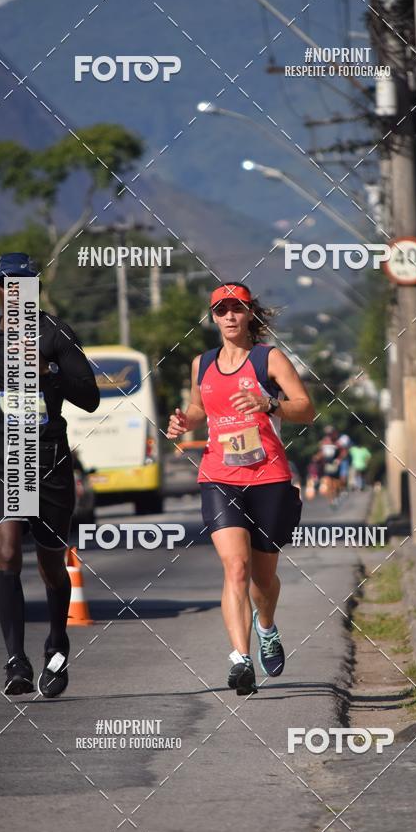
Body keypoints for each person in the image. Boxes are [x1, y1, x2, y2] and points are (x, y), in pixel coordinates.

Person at [0, 253, 100, 697]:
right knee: (6, 552)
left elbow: (89, 398)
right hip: (3, 457)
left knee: (50, 564)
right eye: (8, 285)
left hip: (48, 458)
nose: (17, 292)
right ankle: (16, 661)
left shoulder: (57, 334)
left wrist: (51, 370)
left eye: (25, 285)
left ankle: (57, 644)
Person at [166, 283, 314, 695]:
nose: (229, 316)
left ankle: (266, 627)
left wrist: (270, 404)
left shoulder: (269, 359)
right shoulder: (202, 364)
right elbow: (199, 407)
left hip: (268, 476)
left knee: (263, 580)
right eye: (221, 310)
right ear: (213, 317)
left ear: (250, 313)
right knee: (236, 567)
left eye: (237, 308)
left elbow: (306, 409)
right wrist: (185, 422)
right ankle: (241, 659)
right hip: (219, 475)